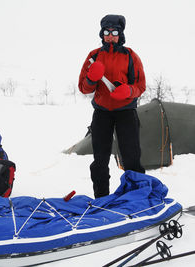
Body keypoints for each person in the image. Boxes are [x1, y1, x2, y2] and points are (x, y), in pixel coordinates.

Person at [78, 14, 146, 198]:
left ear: (120, 34)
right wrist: (92, 78)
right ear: (102, 34)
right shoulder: (93, 56)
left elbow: (140, 86)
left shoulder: (130, 56)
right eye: (107, 32)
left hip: (126, 114)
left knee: (131, 158)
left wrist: (128, 91)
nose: (110, 35)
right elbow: (83, 88)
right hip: (102, 114)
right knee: (100, 160)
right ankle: (102, 198)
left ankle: (136, 197)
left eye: (114, 32)